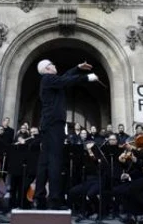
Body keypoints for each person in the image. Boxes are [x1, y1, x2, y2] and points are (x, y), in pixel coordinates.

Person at [34, 59, 98, 209]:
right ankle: (55, 200)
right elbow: (65, 80)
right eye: (53, 64)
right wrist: (87, 77)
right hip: (54, 124)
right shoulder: (49, 79)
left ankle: (40, 198)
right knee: (55, 161)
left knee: (44, 163)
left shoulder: (49, 80)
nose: (56, 65)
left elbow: (65, 77)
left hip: (48, 124)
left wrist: (77, 67)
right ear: (47, 68)